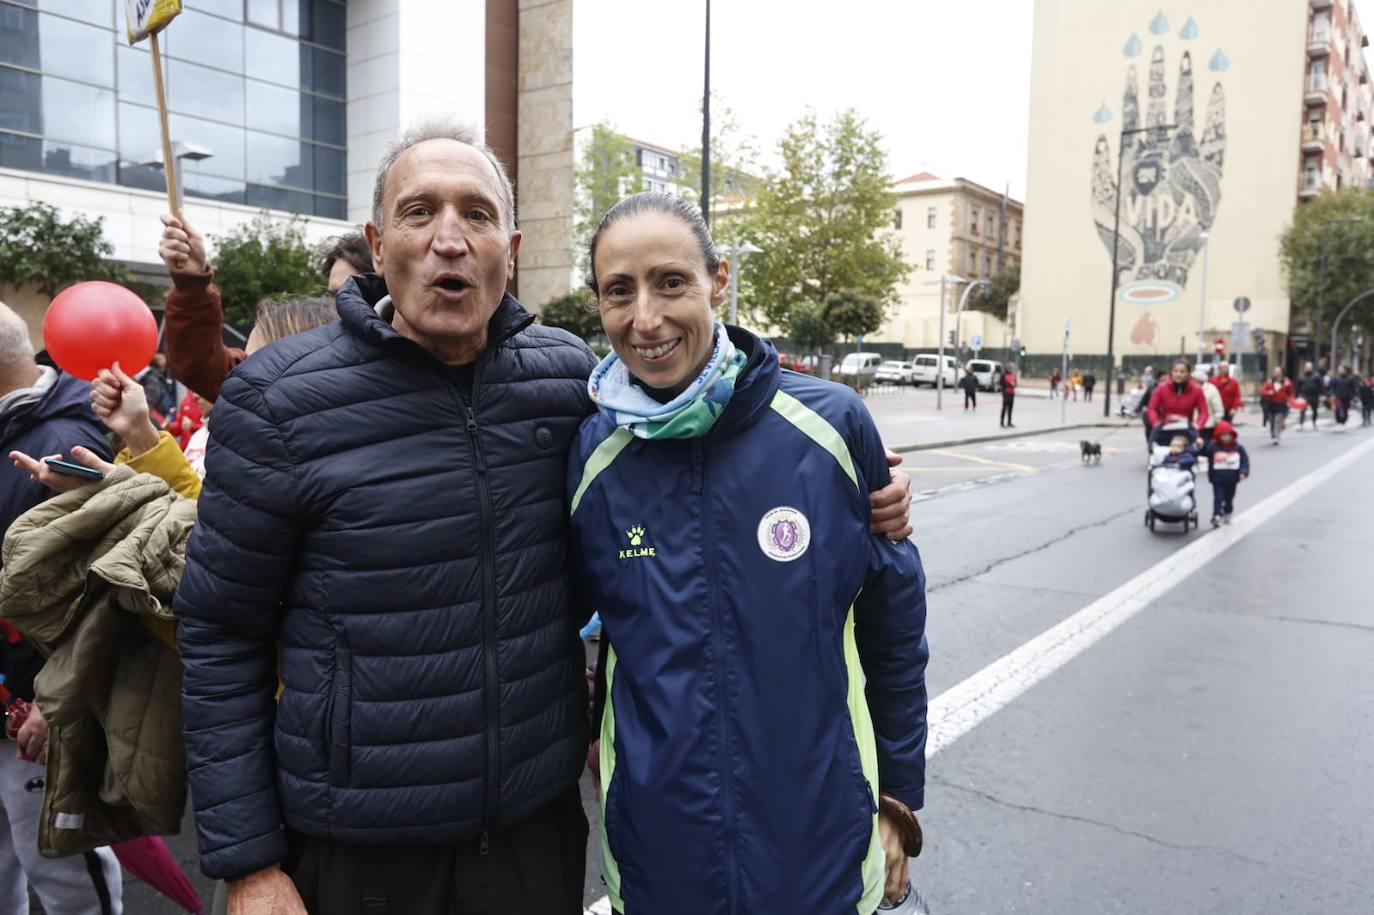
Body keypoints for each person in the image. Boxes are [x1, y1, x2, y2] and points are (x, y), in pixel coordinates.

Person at [170, 120, 921, 915]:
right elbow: (220, 630)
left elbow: (699, 463)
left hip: (532, 839)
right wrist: (249, 859)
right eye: (420, 212)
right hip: (360, 850)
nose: (450, 240)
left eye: (478, 215)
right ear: (377, 240)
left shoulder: (572, 387)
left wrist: (864, 489)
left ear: (513, 246)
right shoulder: (279, 399)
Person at [571, 191, 927, 913]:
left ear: (719, 280)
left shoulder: (830, 426)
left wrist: (898, 799)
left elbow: (895, 631)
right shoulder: (590, 454)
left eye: (671, 281)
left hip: (820, 859)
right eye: (619, 291)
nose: (646, 318)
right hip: (660, 864)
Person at [0, 303, 122, 915]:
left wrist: (55, 701)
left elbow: (100, 589)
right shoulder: (16, 432)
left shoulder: (61, 442)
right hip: (12, 698)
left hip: (36, 708)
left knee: (66, 875)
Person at [157, 218, 370, 402]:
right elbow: (203, 365)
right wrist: (192, 282)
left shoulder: (398, 376)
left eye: (355, 293)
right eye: (332, 296)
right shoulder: (298, 348)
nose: (340, 306)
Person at [1146, 359, 1209, 446]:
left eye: (1182, 371)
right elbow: (1152, 408)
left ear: (1188, 373)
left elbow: (1204, 412)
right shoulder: (1162, 388)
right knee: (1156, 452)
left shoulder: (1197, 390)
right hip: (1164, 428)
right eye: (1175, 371)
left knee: (1192, 454)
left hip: (1186, 429)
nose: (1178, 374)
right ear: (1171, 372)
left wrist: (1197, 426)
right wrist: (1156, 423)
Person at [1202, 420, 1249, 527]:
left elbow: (1244, 461)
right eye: (1223, 435)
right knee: (1218, 497)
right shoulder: (1213, 447)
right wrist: (1203, 444)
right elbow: (1204, 451)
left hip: (1232, 478)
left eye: (1228, 435)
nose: (1226, 438)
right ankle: (1217, 515)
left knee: (1229, 497)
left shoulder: (1238, 448)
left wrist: (1243, 472)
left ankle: (1228, 511)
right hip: (1217, 478)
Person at [136, 351, 177, 420]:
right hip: (154, 415)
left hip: (154, 416)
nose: (165, 360)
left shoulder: (152, 377)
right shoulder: (152, 377)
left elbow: (151, 400)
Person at [1260, 367, 1294, 445]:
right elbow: (1263, 391)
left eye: (1278, 372)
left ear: (1282, 373)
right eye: (1275, 371)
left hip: (1281, 404)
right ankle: (1273, 434)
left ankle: (1276, 436)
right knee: (1272, 421)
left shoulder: (1287, 382)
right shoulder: (1269, 382)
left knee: (1277, 420)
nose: (1277, 373)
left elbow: (1291, 393)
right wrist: (1269, 392)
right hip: (1271, 404)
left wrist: (1290, 401)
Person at [1194, 368, 1225, 447]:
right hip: (1193, 424)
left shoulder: (1211, 389)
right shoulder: (1190, 389)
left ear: (1200, 380)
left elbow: (1218, 408)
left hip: (1208, 425)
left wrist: (1217, 421)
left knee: (1206, 447)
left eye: (1193, 379)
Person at [1296, 360, 1323, 430]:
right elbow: (1298, 387)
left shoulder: (1317, 376)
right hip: (1304, 395)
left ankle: (1314, 423)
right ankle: (1301, 424)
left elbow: (1320, 386)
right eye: (1307, 367)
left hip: (1314, 396)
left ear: (1312, 368)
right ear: (1304, 368)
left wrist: (1321, 395)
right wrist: (1297, 396)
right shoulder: (1301, 376)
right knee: (1302, 410)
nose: (1308, 368)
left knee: (1315, 410)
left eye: (1310, 367)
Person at [999, 363, 1018, 427]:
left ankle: (1009, 422)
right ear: (1007, 369)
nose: (1011, 369)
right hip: (1006, 393)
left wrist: (1014, 384)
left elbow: (1015, 383)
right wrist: (1009, 384)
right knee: (1004, 408)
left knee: (1010, 408)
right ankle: (1002, 421)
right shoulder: (1003, 375)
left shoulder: (1013, 375)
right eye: (1010, 368)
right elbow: (1001, 383)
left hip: (1012, 393)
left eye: (1012, 368)